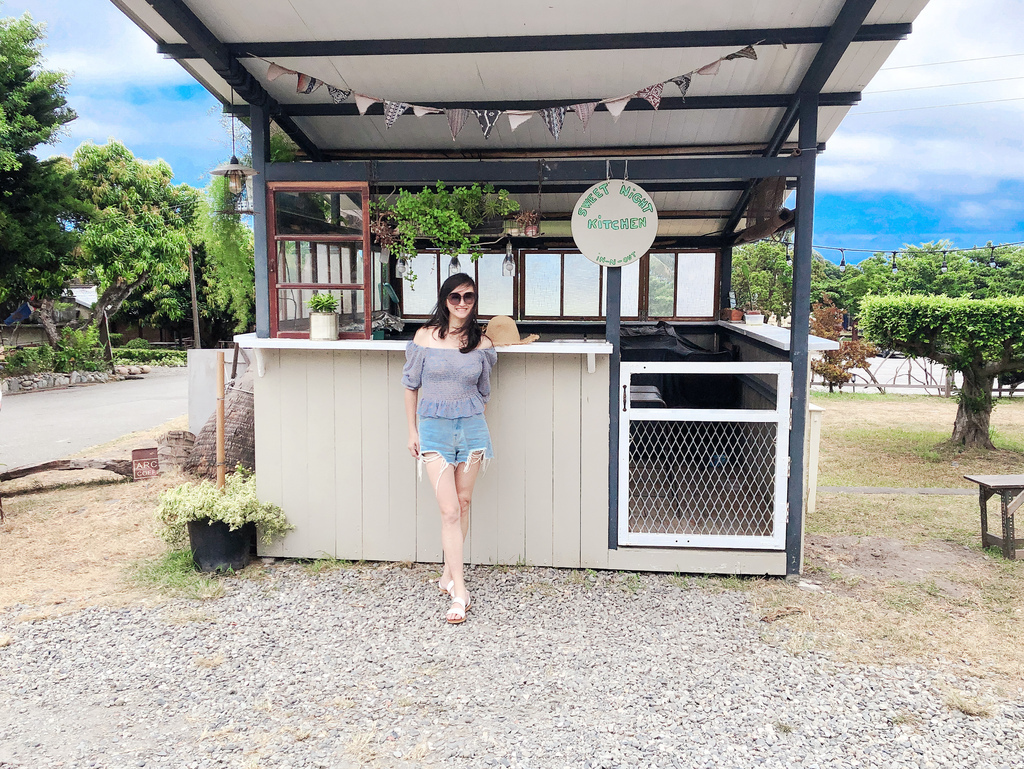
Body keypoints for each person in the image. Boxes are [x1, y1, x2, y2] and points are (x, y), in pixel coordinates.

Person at [402, 273, 496, 624]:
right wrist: (412, 430)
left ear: (474, 301)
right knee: (449, 510)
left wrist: (470, 418)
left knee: (464, 502)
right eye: (454, 296)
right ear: (444, 300)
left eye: (468, 296)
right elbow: (410, 386)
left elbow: (485, 392)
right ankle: (460, 592)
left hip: (471, 429)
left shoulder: (482, 344)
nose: (461, 303)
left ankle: (448, 573)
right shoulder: (424, 337)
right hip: (433, 430)